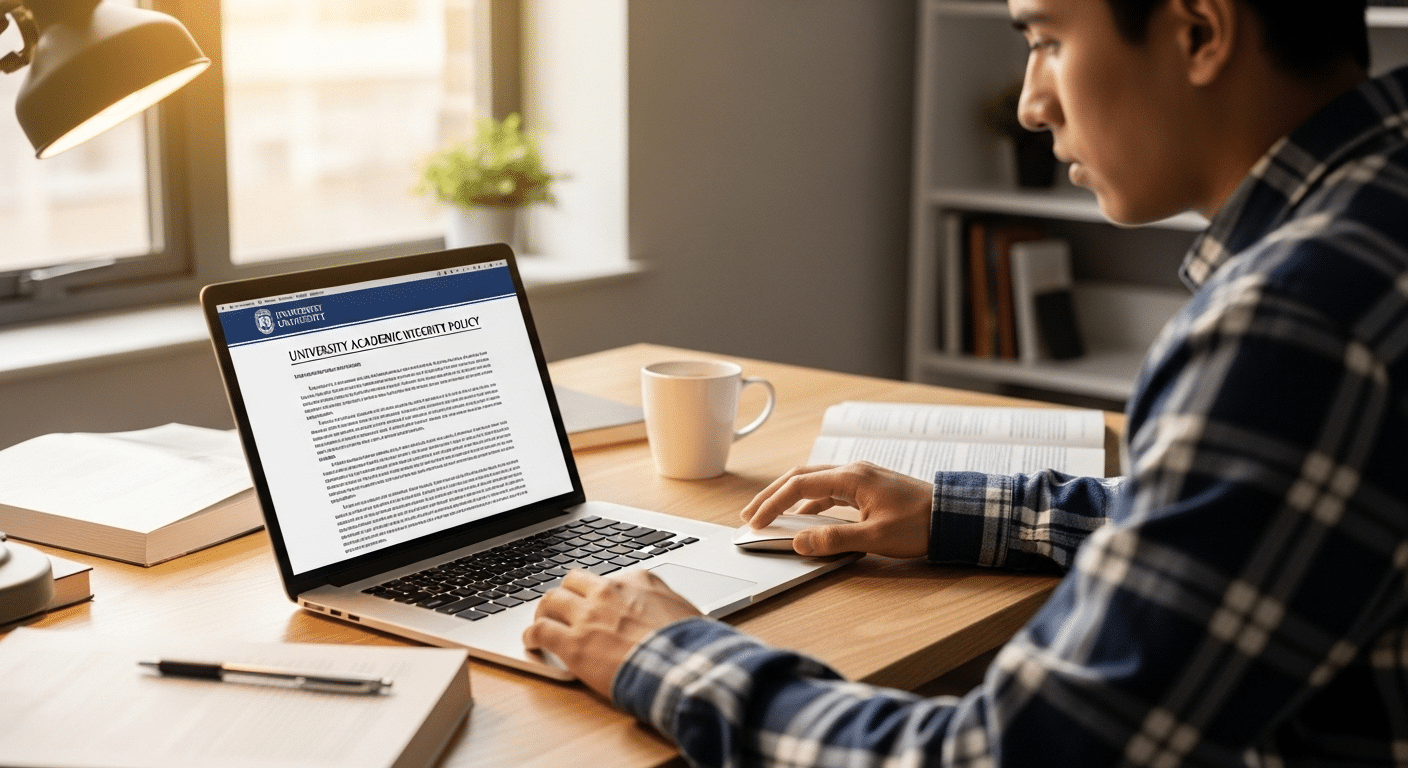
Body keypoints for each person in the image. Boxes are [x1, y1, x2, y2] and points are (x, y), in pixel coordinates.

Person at [524, 0, 1408, 764]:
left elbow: (1007, 756)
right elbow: (1247, 514)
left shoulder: (1294, 322)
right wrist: (955, 512)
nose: (1029, 104)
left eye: (1048, 39)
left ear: (1199, 31)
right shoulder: (1378, 212)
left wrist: (664, 651)